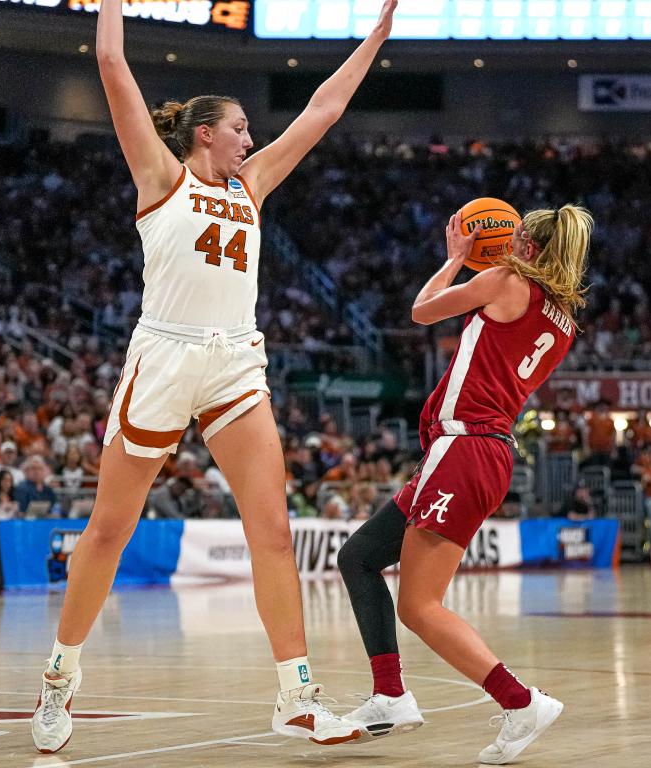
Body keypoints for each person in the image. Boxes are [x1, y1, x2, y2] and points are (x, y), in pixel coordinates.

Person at [30, 0, 399, 754]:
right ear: (206, 134)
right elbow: (111, 66)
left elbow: (322, 111)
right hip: (163, 357)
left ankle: (296, 697)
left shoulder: (252, 185)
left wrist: (376, 38)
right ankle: (59, 679)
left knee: (273, 530)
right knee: (108, 531)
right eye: (240, 128)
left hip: (235, 358)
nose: (252, 138)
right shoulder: (159, 175)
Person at [338, 203, 593, 765]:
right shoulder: (563, 320)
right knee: (358, 557)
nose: (504, 245)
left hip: (465, 446)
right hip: (477, 451)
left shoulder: (502, 280)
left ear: (527, 247)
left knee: (421, 606)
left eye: (515, 238)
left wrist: (455, 259)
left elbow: (422, 311)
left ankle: (520, 701)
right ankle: (389, 694)